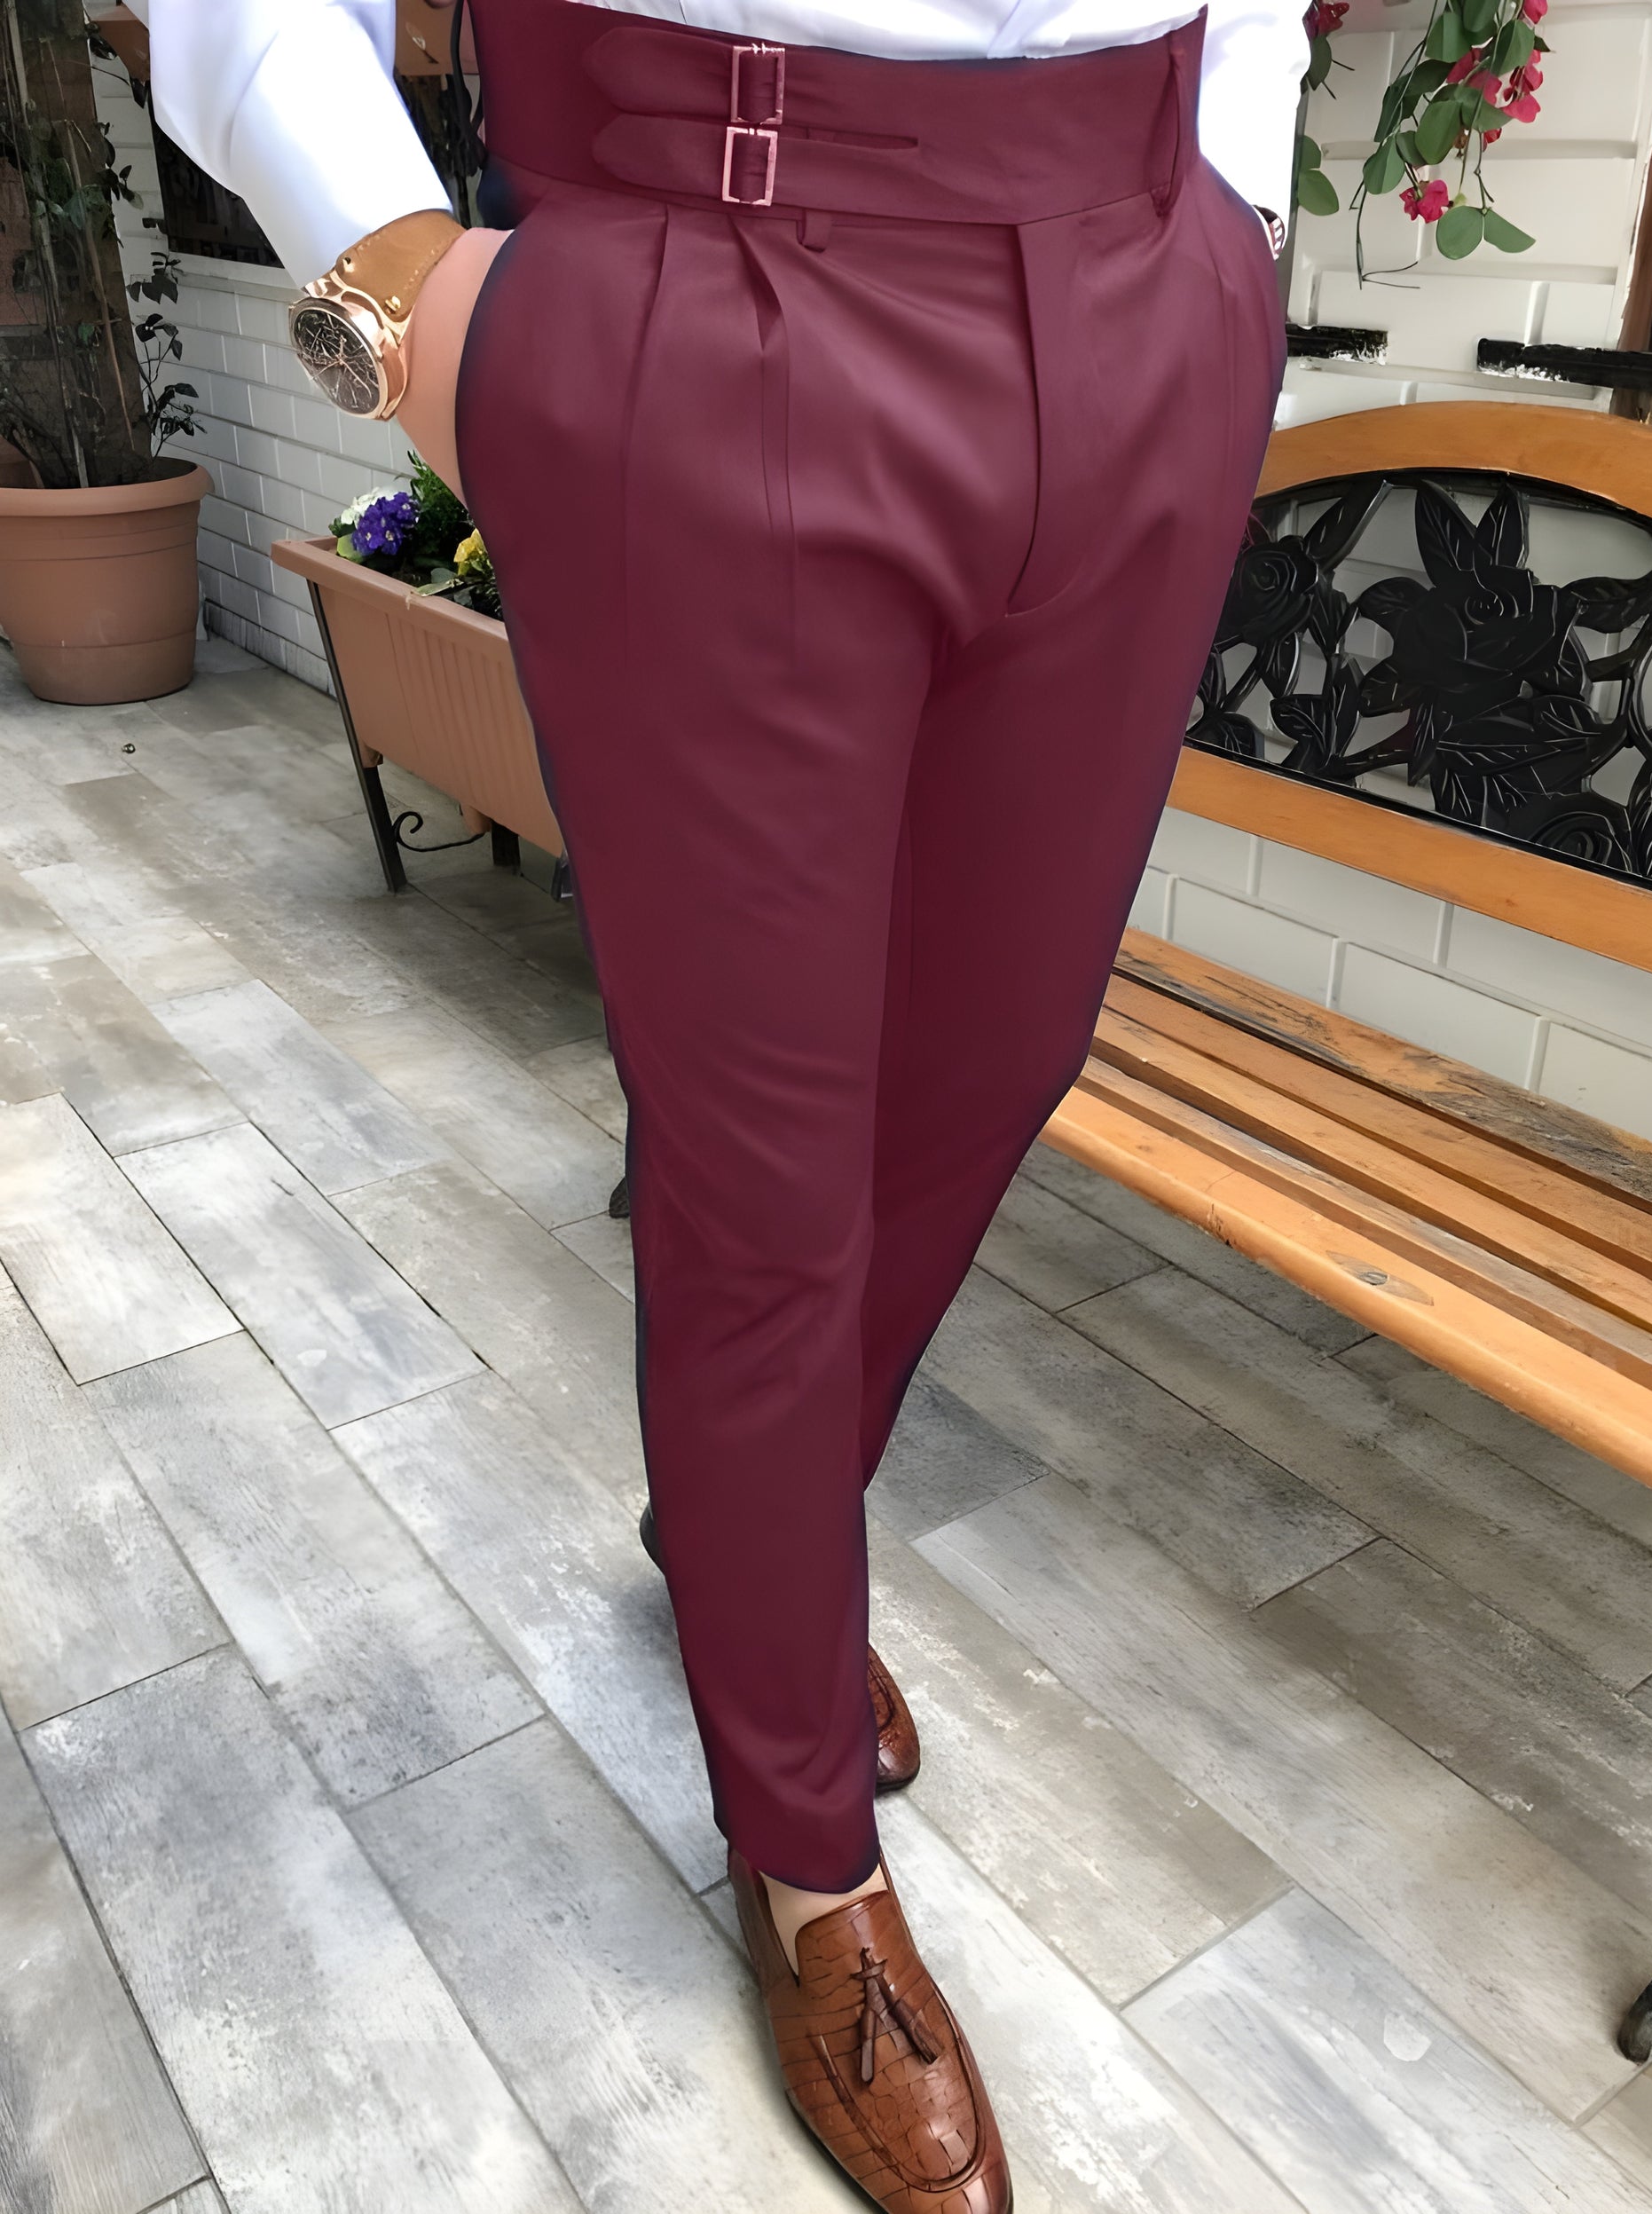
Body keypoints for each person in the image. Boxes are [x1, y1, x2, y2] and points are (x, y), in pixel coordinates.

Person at [137, 0, 1305, 2202]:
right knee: (761, 1162)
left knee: (995, 1056)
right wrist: (395, 268)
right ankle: (805, 1859)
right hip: (708, 261)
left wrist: (1233, 187)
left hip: (1148, 264)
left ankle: (741, 1544)